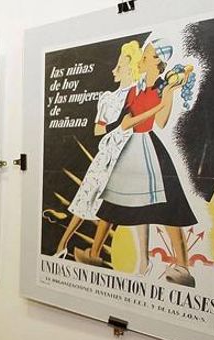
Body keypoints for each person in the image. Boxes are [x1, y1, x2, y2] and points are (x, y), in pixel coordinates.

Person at [75, 39, 197, 287]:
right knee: (110, 202)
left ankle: (182, 267)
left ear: (157, 61)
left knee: (169, 205)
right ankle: (94, 254)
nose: (141, 58)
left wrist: (169, 93)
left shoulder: (163, 88)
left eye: (146, 55)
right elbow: (127, 121)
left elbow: (161, 122)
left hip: (150, 149)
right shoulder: (135, 90)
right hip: (130, 146)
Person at [53, 41, 145, 269]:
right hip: (106, 153)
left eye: (119, 65)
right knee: (84, 196)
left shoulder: (138, 93)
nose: (114, 70)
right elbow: (97, 129)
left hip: (125, 155)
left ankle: (94, 252)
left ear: (129, 67)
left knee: (108, 205)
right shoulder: (107, 98)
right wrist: (119, 124)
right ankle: (62, 245)